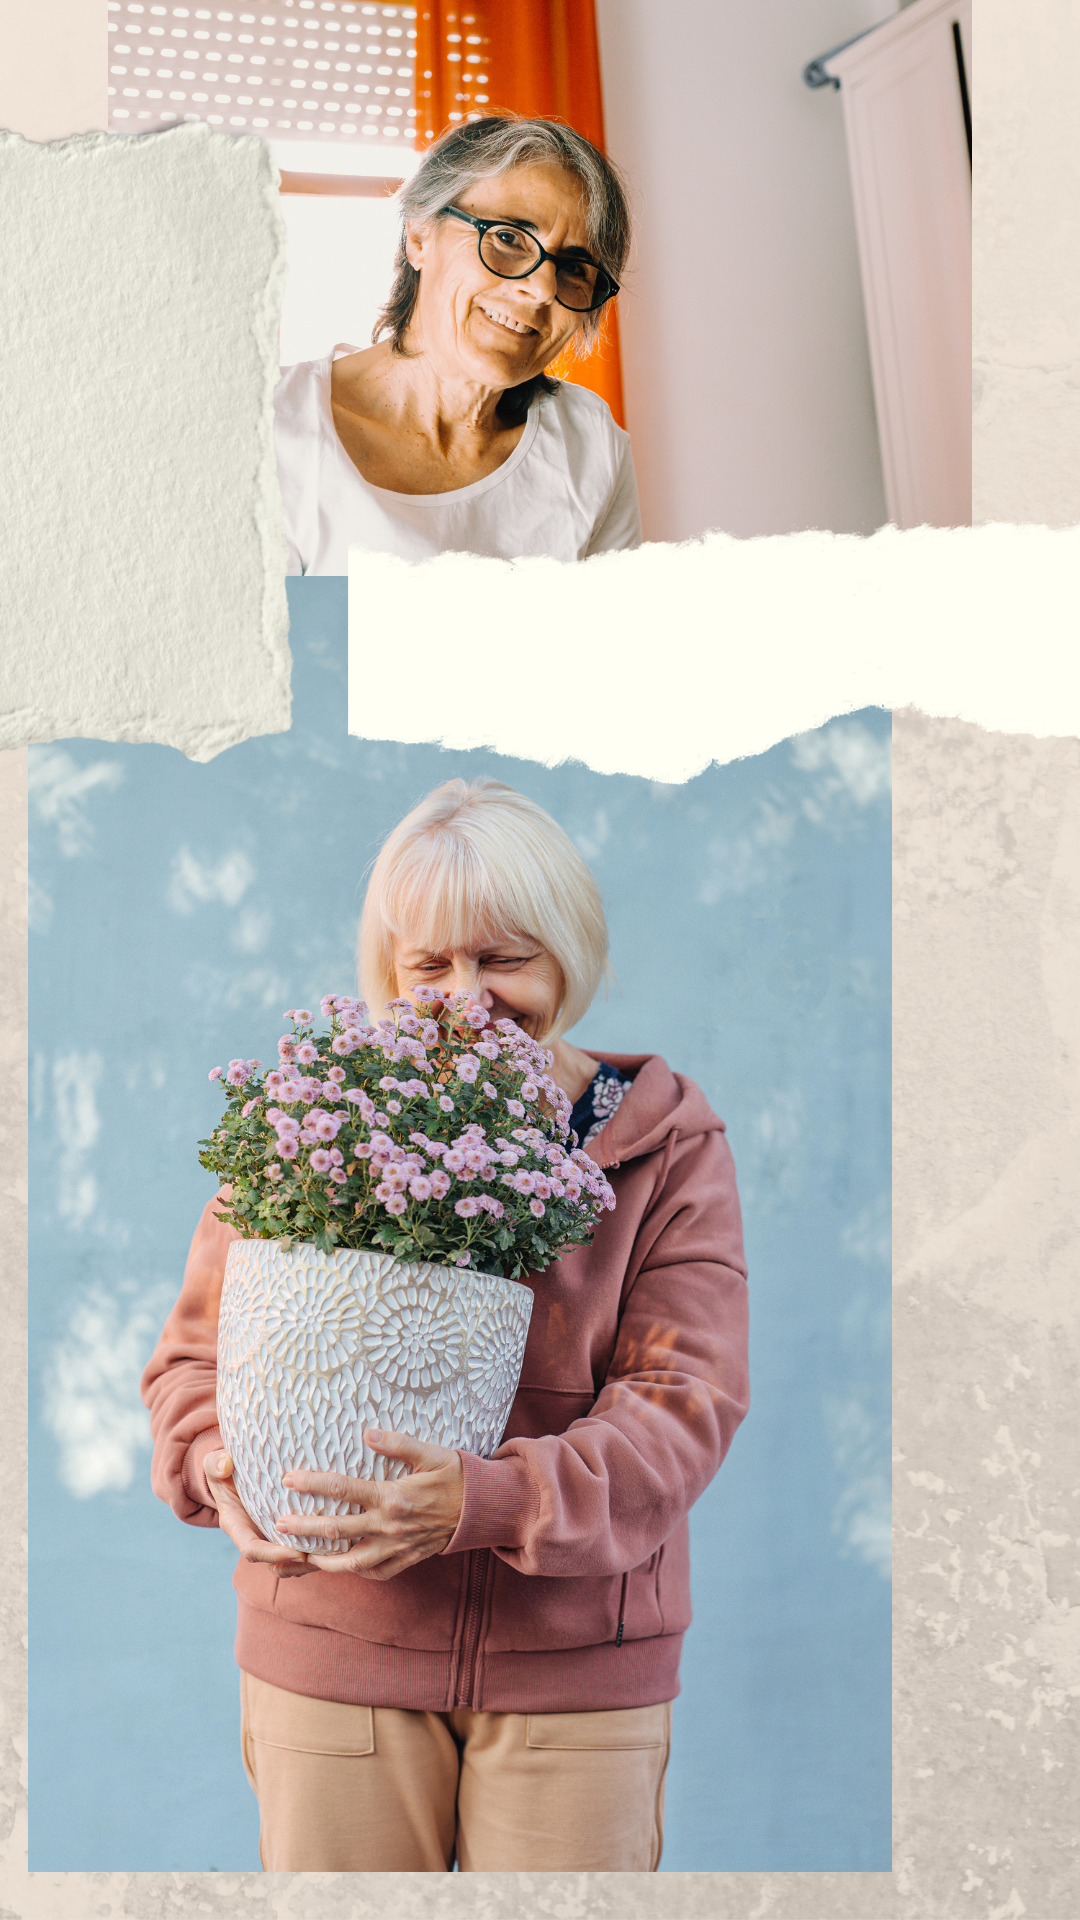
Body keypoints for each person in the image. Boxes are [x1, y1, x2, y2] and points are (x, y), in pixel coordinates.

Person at [142, 777, 749, 1873]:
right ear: (389, 969)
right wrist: (213, 1459)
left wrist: (491, 1500)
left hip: (576, 1671)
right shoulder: (313, 1120)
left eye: (502, 957)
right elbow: (195, 1358)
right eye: (429, 963)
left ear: (568, 953)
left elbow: (683, 1402)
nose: (464, 996)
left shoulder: (666, 1143)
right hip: (335, 1645)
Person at [274, 116, 641, 572]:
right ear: (419, 235)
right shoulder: (270, 432)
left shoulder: (591, 445)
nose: (544, 288)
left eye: (573, 269)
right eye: (508, 238)